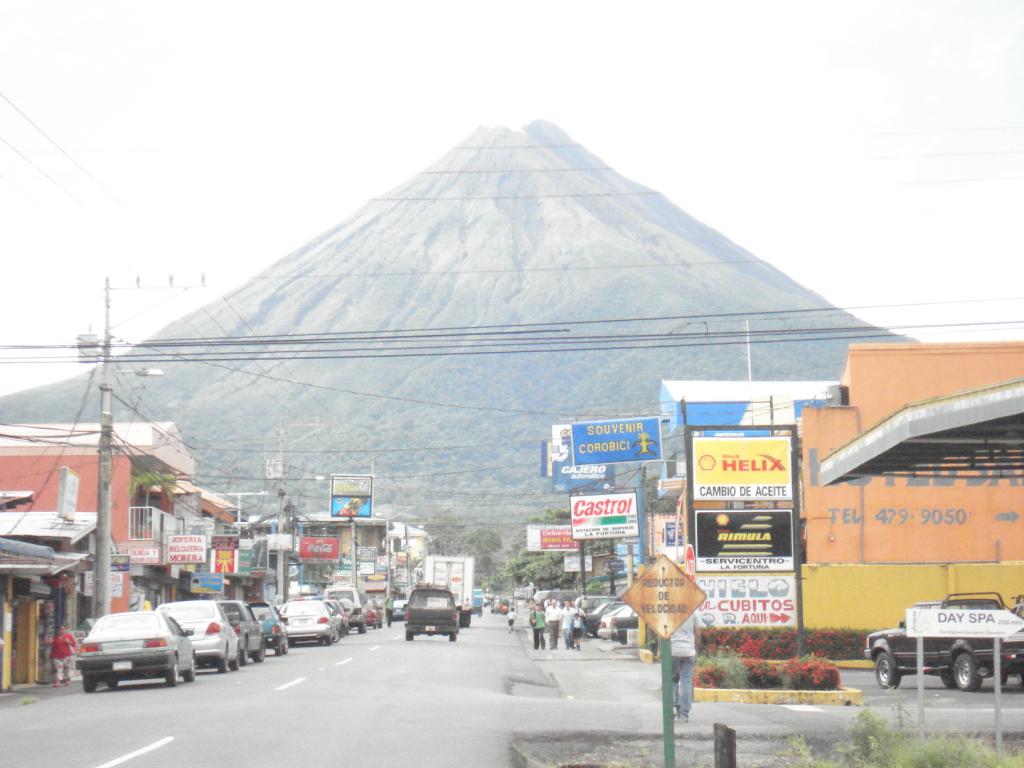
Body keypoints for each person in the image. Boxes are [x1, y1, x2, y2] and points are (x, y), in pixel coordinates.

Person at [670, 613, 701, 722]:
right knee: (686, 681)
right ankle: (684, 715)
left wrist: (660, 650)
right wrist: (695, 651)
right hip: (688, 651)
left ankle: (673, 708)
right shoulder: (694, 612)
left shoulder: (669, 610)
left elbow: (662, 633)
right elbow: (698, 634)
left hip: (672, 651)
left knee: (672, 680)